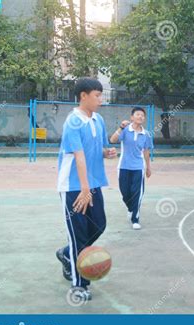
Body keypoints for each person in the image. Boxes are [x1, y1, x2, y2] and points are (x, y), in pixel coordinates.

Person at [55, 78, 117, 302]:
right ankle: (79, 286)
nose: (101, 99)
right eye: (97, 95)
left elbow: (98, 149)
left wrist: (107, 153)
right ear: (83, 96)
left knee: (99, 224)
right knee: (79, 236)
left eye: (101, 95)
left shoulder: (98, 119)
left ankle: (66, 253)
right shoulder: (73, 122)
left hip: (93, 183)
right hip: (73, 187)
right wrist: (83, 189)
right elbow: (78, 156)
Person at [110, 107, 153, 230]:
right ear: (132, 117)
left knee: (137, 193)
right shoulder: (125, 130)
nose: (140, 117)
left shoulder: (146, 134)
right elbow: (112, 140)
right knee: (125, 193)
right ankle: (130, 208)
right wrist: (121, 127)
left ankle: (135, 219)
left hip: (138, 168)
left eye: (142, 115)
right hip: (123, 166)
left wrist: (148, 167)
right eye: (137, 114)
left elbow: (146, 152)